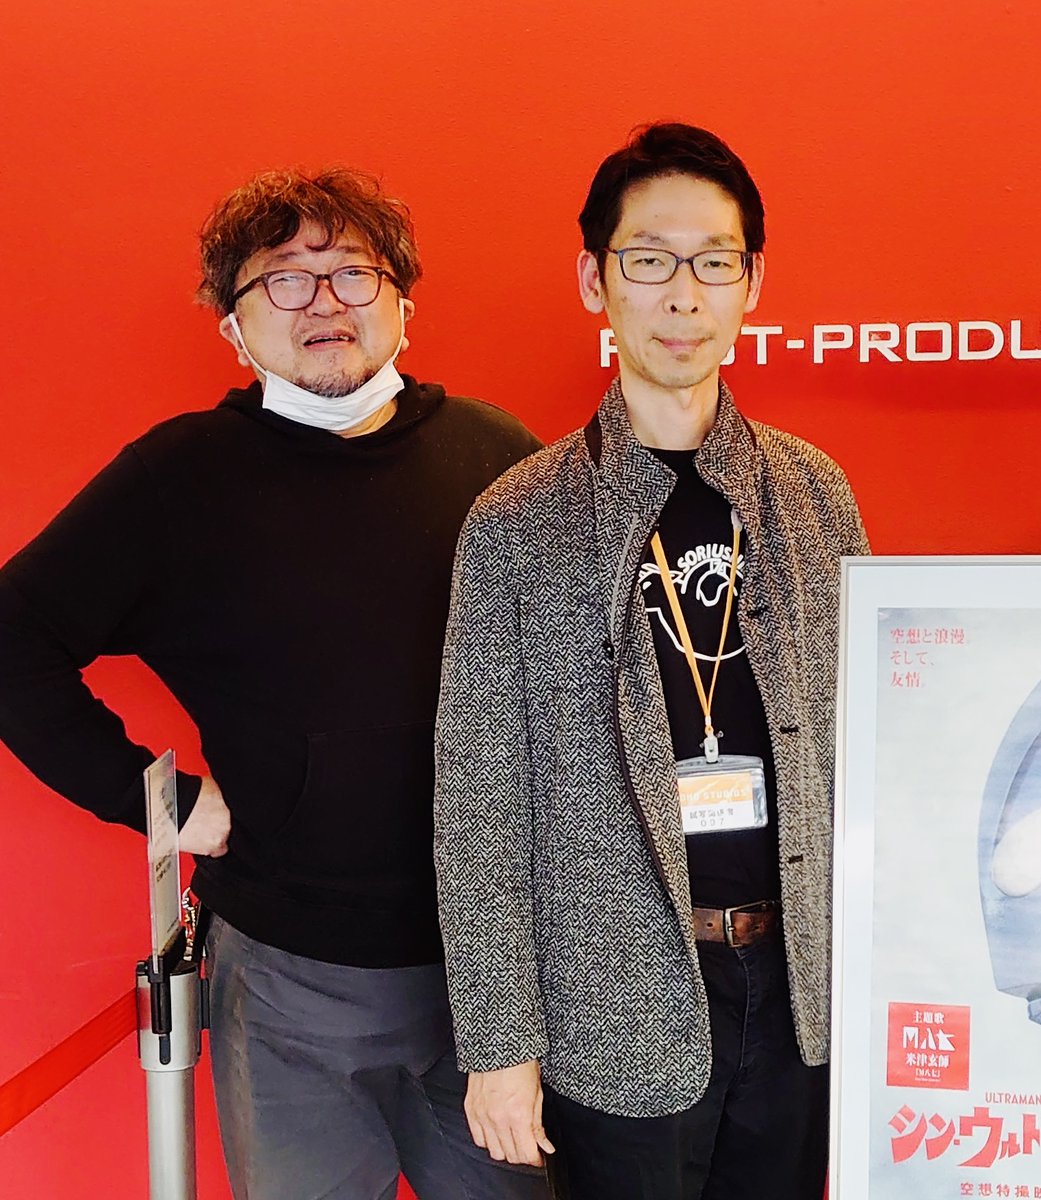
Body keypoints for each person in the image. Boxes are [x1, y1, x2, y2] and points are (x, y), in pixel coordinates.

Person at [0, 167, 548, 1200]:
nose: (324, 302)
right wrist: (157, 802)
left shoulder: (500, 460)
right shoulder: (180, 478)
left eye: (353, 273)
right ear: (234, 327)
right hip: (288, 970)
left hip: (495, 975)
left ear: (404, 303)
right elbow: (13, 637)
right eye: (285, 280)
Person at [434, 123, 869, 1200]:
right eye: (648, 260)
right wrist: (498, 1044)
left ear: (752, 283)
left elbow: (870, 747)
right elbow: (479, 801)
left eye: (714, 261)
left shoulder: (814, 493)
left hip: (801, 997)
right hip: (614, 1009)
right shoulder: (517, 521)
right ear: (596, 281)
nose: (683, 295)